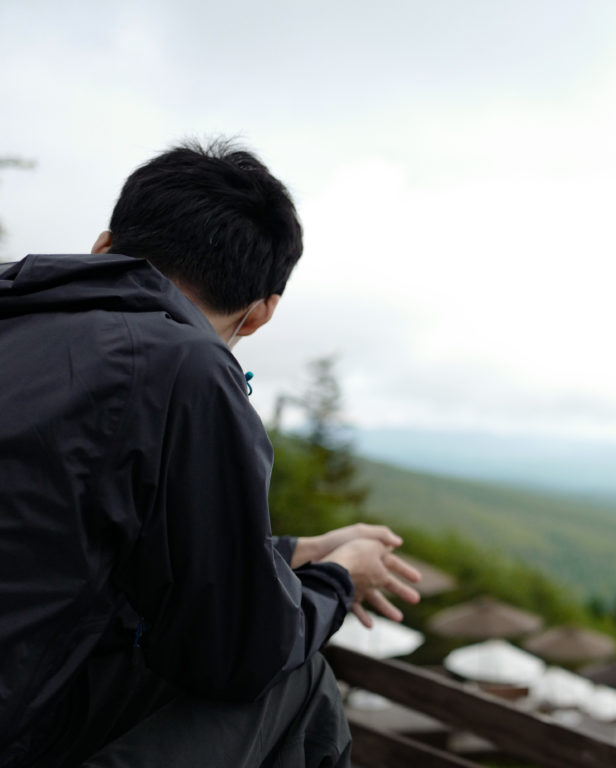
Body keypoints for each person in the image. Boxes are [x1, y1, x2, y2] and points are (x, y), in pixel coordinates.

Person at [0, 140, 420, 767]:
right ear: (259, 316)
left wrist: (297, 552)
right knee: (293, 683)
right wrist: (340, 578)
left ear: (102, 248)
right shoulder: (182, 367)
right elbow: (235, 654)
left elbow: (59, 535)